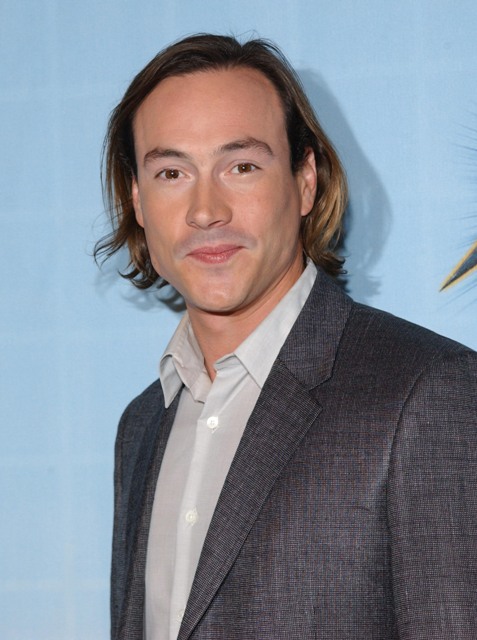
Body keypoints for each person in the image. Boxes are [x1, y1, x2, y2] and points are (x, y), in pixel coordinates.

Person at [96, 34, 477, 640]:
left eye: (241, 166)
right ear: (138, 202)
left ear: (305, 181)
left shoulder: (425, 393)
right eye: (172, 173)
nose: (205, 210)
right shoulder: (140, 425)